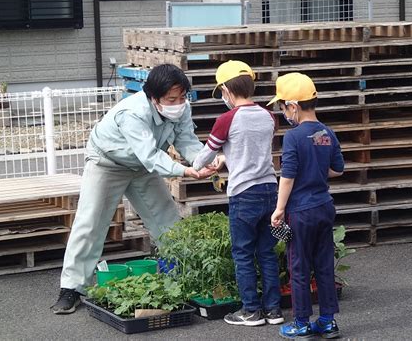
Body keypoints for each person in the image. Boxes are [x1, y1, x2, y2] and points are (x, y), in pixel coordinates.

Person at [51, 64, 214, 314]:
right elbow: (149, 155)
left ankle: (182, 277)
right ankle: (71, 288)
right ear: (153, 97)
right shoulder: (133, 112)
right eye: (171, 99)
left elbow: (187, 140)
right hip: (107, 162)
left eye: (182, 97)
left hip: (142, 167)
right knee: (91, 223)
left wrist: (202, 161)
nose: (178, 103)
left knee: (168, 220)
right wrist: (183, 171)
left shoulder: (181, 109)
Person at [192, 60, 284, 327]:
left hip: (243, 193)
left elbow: (204, 157)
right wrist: (227, 157)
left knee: (243, 253)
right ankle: (274, 310)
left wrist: (200, 165)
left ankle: (251, 311)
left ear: (226, 90)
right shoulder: (269, 116)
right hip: (270, 189)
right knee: (266, 252)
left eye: (221, 92)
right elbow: (250, 148)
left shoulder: (226, 119)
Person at [269, 73, 344, 339]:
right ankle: (327, 321)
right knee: (324, 265)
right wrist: (316, 171)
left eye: (282, 106)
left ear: (293, 106)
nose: (283, 111)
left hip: (300, 211)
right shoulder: (327, 133)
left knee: (299, 267)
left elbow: (287, 176)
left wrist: (278, 210)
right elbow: (337, 169)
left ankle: (301, 322)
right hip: (324, 207)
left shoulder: (293, 137)